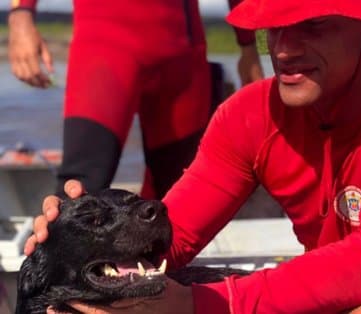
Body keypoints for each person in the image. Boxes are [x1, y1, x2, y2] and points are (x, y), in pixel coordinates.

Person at [25, 0, 361, 313]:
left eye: (311, 26)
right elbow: (171, 236)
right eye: (274, 27)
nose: (285, 50)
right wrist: (78, 239)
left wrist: (201, 305)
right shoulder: (249, 116)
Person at [7, 0, 264, 199]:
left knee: (181, 196)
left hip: (184, 60)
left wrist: (249, 48)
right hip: (106, 48)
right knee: (79, 190)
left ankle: (154, 265)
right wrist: (21, 16)